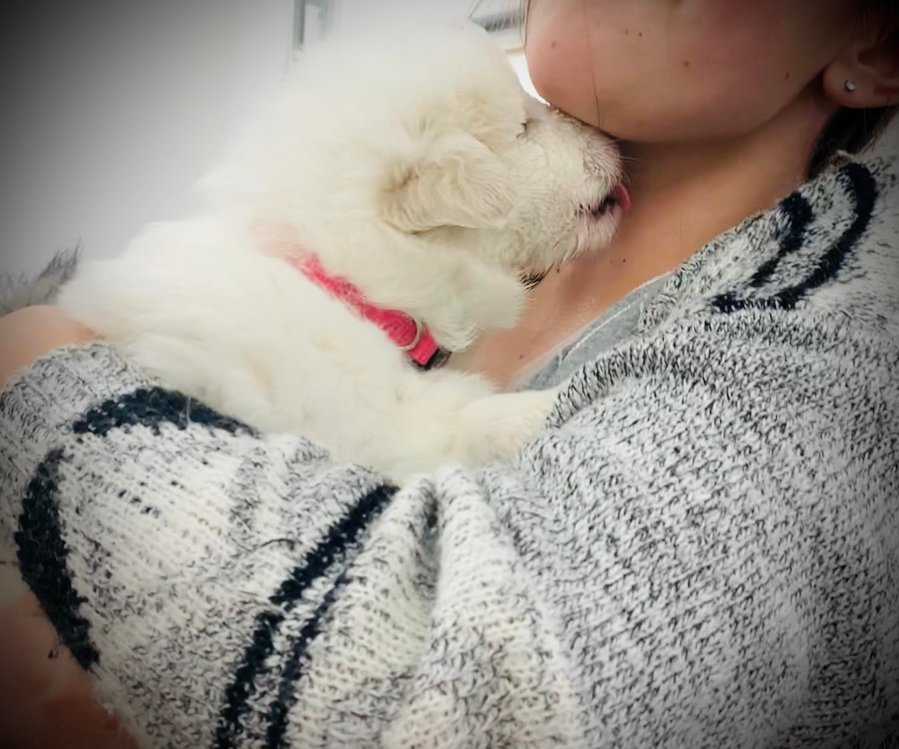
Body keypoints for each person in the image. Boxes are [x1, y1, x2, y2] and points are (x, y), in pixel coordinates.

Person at [1, 0, 898, 746]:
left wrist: (39, 376)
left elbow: (472, 702)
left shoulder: (831, 373)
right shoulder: (374, 240)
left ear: (876, 49)